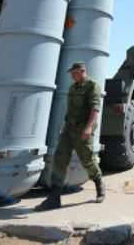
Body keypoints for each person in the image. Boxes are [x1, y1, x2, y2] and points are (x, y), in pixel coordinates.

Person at [35, 61, 105, 211]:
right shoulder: (73, 87)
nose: (72, 76)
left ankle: (99, 184)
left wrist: (88, 128)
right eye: (72, 74)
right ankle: (54, 197)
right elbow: (70, 110)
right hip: (69, 130)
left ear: (82, 71)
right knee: (59, 159)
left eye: (74, 73)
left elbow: (95, 109)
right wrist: (64, 127)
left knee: (87, 160)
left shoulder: (92, 86)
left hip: (83, 129)